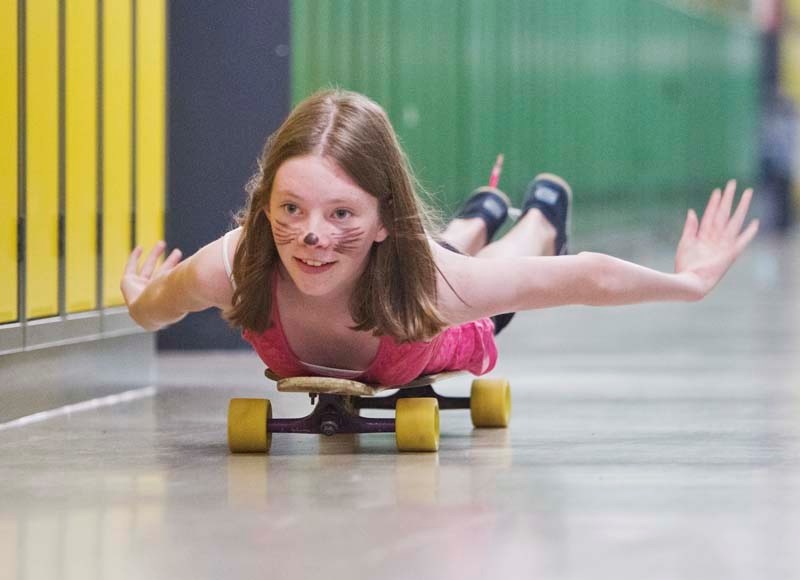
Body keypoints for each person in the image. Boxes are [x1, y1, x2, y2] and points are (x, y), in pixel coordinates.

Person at [121, 89, 759, 386]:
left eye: (341, 214)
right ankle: (478, 214)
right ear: (264, 209)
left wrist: (690, 283)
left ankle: (536, 219)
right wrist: (136, 293)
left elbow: (582, 277)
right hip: (407, 257)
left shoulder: (437, 285)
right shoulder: (236, 266)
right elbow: (156, 307)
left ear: (384, 218)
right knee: (442, 250)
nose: (310, 236)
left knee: (482, 264)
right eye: (290, 207)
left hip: (422, 309)